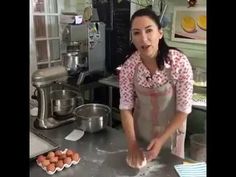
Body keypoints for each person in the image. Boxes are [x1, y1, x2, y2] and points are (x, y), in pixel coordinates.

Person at [119, 8, 193, 168]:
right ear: (132, 37)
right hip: (141, 133)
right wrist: (132, 144)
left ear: (160, 33)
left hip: (171, 133)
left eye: (149, 30)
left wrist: (161, 140)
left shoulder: (179, 62)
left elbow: (184, 109)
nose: (143, 39)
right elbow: (125, 108)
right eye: (136, 33)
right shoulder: (128, 67)